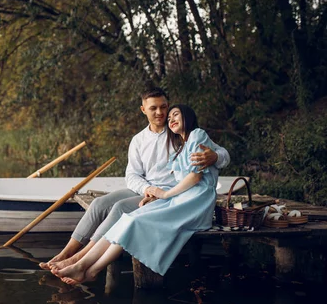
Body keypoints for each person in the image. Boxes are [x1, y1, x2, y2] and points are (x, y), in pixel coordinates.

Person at [39, 87, 229, 270]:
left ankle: (80, 258)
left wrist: (216, 156)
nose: (160, 112)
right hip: (146, 189)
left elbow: (222, 154)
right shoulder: (139, 140)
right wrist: (146, 189)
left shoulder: (180, 132)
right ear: (143, 110)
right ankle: (65, 254)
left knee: (120, 207)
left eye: (163, 107)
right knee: (99, 204)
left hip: (169, 193)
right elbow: (132, 175)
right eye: (153, 108)